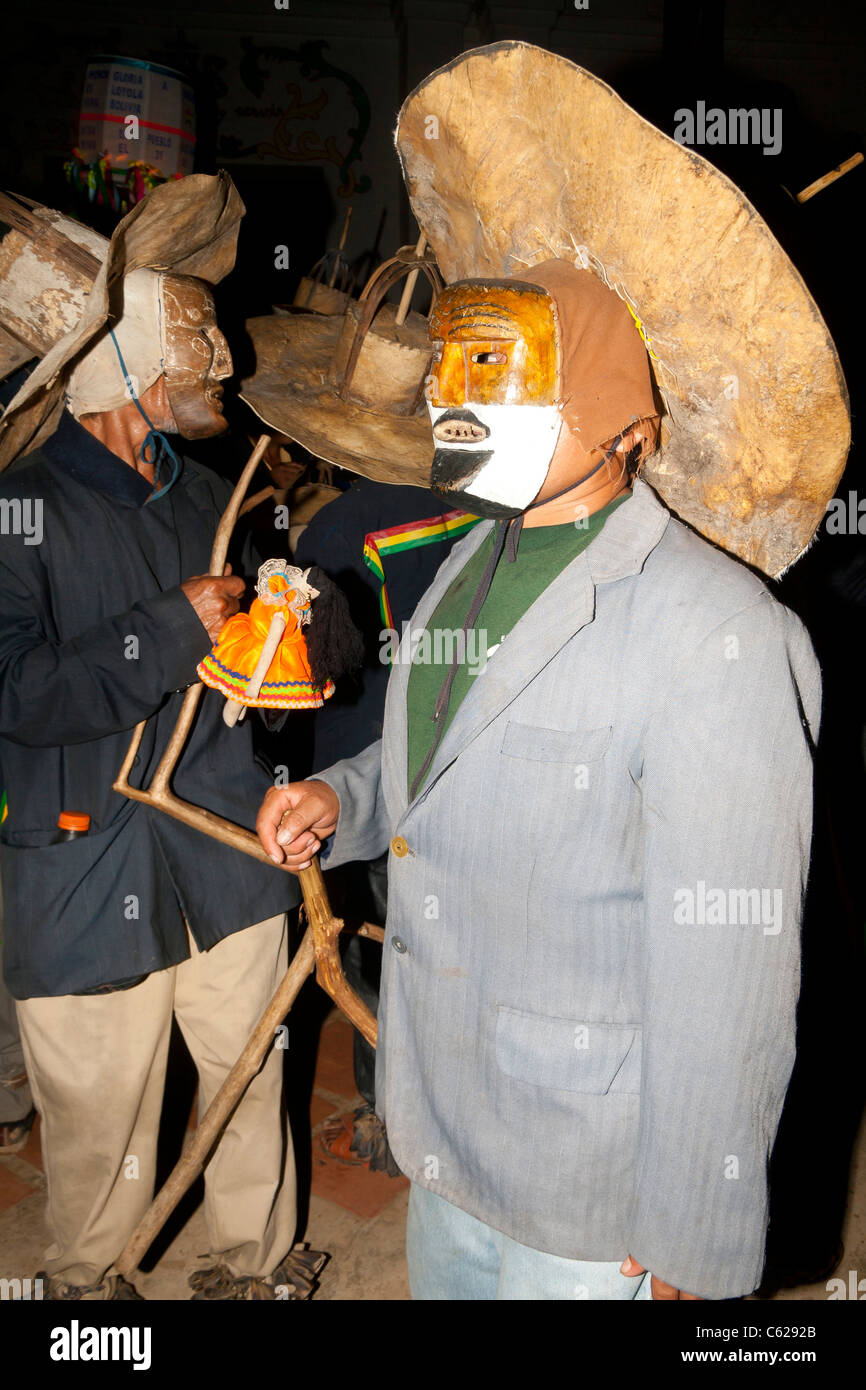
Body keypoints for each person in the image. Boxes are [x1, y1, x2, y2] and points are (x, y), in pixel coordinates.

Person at [254, 42, 849, 1301]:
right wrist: (346, 800)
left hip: (591, 1192)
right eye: (461, 361)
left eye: (501, 364)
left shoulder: (718, 639)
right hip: (446, 1125)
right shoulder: (472, 557)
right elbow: (443, 748)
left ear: (618, 415)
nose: (461, 392)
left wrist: (693, 1228)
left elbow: (729, 971)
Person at [0, 176, 323, 1301]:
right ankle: (91, 1293)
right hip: (83, 866)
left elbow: (269, 675)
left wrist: (295, 638)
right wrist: (161, 630)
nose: (221, 365)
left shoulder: (210, 505)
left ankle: (260, 1266)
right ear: (126, 373)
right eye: (195, 347)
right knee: (100, 1132)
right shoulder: (16, 509)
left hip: (224, 859)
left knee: (246, 1086)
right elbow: (20, 694)